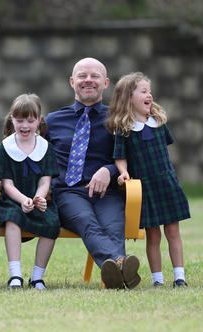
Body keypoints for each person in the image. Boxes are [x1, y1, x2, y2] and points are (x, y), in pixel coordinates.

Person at [45, 58, 141, 290]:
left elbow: (135, 160)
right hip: (68, 192)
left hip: (107, 193)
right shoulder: (52, 121)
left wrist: (109, 170)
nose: (88, 80)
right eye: (82, 75)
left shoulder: (118, 119)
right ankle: (121, 265)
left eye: (95, 76)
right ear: (72, 82)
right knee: (88, 223)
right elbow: (39, 161)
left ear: (106, 82)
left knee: (113, 226)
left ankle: (117, 277)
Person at [107, 72, 190, 288]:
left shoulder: (158, 122)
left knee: (173, 232)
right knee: (153, 236)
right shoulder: (124, 129)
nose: (149, 95)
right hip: (146, 188)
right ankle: (158, 279)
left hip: (167, 184)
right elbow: (120, 157)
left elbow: (165, 150)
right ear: (128, 97)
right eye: (144, 91)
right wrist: (123, 172)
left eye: (150, 91)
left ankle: (180, 277)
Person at [0, 94, 59, 290]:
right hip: (12, 200)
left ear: (39, 120)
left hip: (38, 200)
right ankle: (15, 275)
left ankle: (37, 277)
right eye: (19, 120)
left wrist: (39, 196)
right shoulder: (5, 148)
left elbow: (45, 180)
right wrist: (23, 200)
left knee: (52, 223)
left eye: (30, 121)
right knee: (13, 219)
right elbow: (7, 184)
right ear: (12, 119)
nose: (24, 125)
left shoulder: (45, 147)